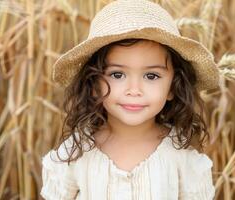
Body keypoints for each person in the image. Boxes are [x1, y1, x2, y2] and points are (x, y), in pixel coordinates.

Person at [40, 0, 219, 199]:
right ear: (94, 84)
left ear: (172, 87)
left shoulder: (182, 157)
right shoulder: (76, 152)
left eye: (151, 76)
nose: (134, 90)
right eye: (117, 75)